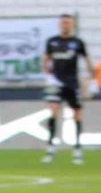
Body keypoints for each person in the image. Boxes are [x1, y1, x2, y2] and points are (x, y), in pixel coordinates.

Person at [40, 14, 94, 165]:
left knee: (76, 114)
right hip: (56, 82)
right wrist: (47, 75)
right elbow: (45, 59)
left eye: (68, 23)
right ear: (59, 25)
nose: (65, 25)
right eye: (63, 22)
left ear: (73, 25)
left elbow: (87, 59)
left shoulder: (77, 43)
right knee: (53, 111)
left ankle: (77, 149)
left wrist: (91, 77)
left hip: (72, 83)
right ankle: (50, 148)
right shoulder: (52, 42)